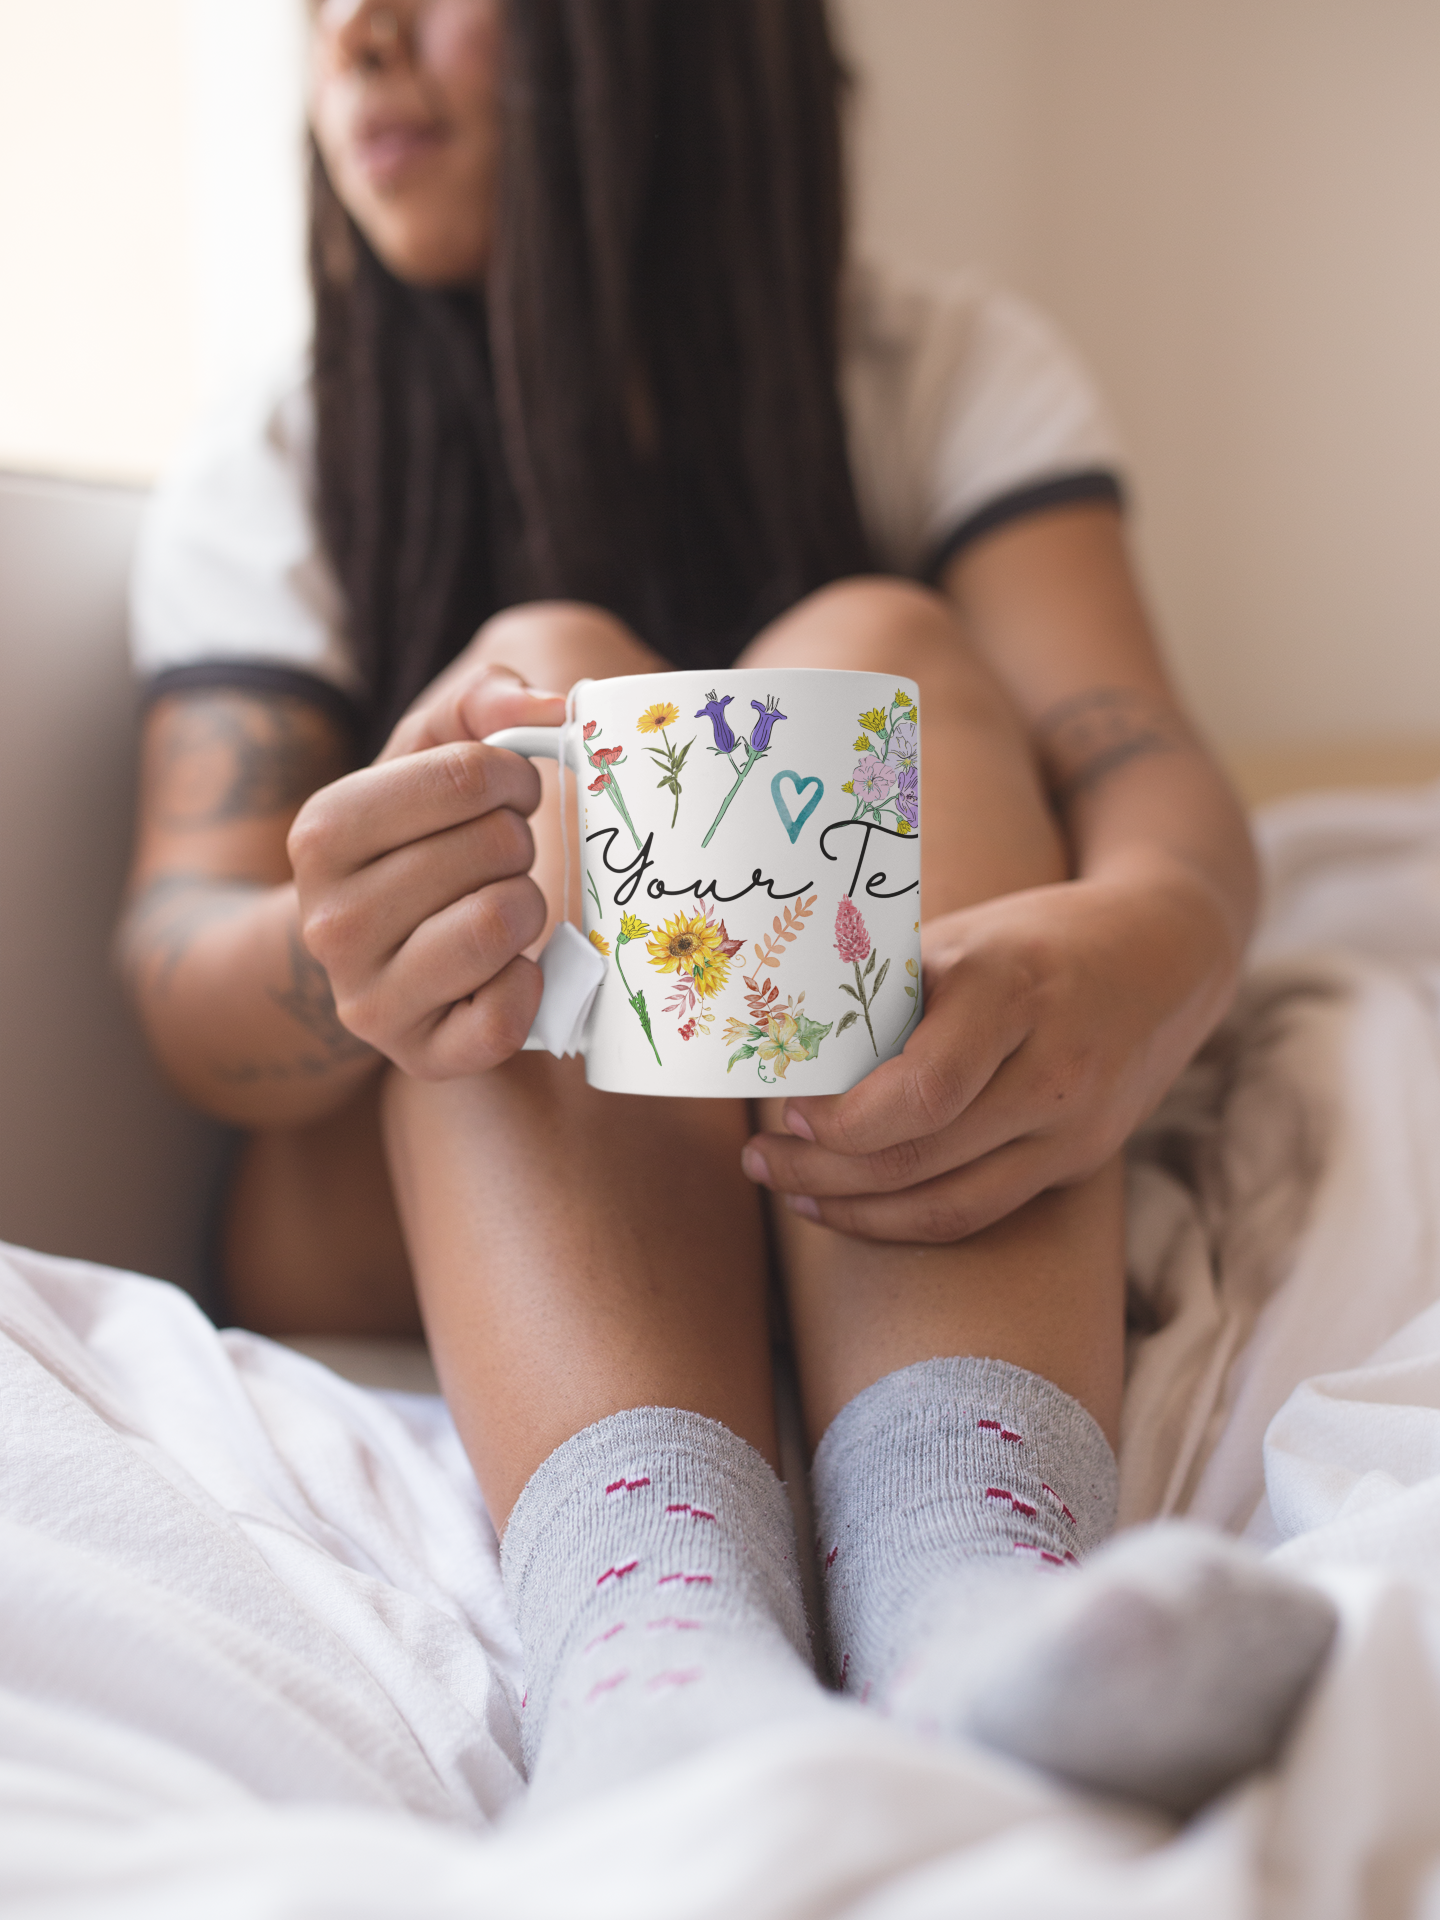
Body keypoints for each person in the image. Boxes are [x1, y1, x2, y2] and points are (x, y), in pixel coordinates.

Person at [119, 0, 1334, 1817]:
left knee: (883, 649)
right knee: (539, 686)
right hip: (415, 1178)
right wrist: (347, 939)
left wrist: (1145, 948)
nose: (353, 38)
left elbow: (1146, 777)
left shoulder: (928, 364)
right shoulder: (289, 450)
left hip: (877, 1131)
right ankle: (649, 1638)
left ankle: (965, 1587)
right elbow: (172, 952)